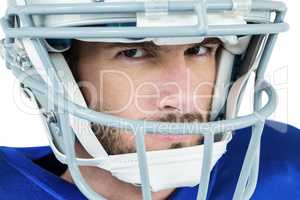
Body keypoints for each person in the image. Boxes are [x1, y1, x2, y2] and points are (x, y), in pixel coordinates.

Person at [0, 0, 299, 199]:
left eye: (198, 50)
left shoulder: (286, 168)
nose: (181, 98)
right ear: (54, 72)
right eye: (133, 52)